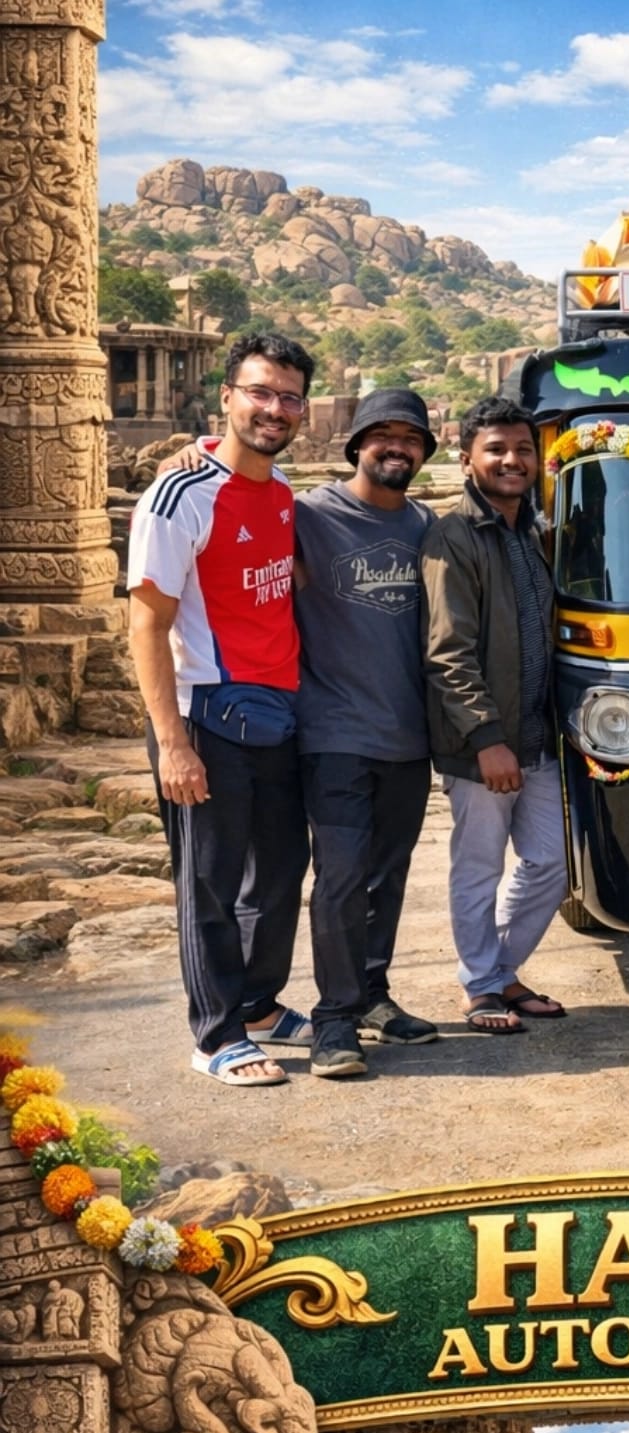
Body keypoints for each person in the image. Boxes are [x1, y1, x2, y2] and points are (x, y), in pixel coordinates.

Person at [129, 333, 315, 1087]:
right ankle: (214, 1035)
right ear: (228, 399)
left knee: (279, 871)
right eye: (260, 392)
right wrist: (173, 744)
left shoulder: (281, 497)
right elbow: (146, 622)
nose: (274, 408)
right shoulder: (180, 495)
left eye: (289, 396)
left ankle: (259, 1003)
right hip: (205, 712)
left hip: (276, 709)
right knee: (208, 877)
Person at [293, 389, 441, 1076]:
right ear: (355, 445)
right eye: (382, 436)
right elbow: (234, 498)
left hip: (409, 737)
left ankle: (374, 994)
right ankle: (334, 1020)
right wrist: (197, 454)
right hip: (334, 733)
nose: (396, 448)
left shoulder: (426, 528)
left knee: (388, 876)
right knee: (342, 879)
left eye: (409, 438)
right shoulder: (311, 516)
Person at [420, 396, 568, 1035]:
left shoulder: (532, 531)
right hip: (482, 743)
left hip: (535, 736)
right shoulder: (454, 536)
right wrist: (486, 739)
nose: (512, 461)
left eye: (523, 450)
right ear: (467, 460)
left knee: (552, 861)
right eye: (497, 450)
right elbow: (447, 651)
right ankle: (481, 987)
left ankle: (497, 972)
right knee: (479, 865)